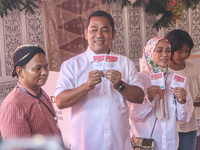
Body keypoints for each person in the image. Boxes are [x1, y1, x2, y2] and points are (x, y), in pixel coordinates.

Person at [55, 10, 144, 150]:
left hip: (119, 143)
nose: (99, 35)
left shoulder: (125, 63)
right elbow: (60, 102)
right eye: (94, 30)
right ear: (86, 33)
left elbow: (139, 97)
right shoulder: (71, 65)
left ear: (113, 34)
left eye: (104, 30)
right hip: (86, 143)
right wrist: (86, 86)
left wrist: (121, 85)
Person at [129, 37, 194, 150]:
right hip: (145, 143)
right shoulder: (138, 79)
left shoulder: (176, 79)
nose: (165, 54)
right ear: (149, 52)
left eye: (168, 51)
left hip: (169, 143)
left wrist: (181, 101)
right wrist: (148, 98)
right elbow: (134, 115)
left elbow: (185, 118)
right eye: (159, 50)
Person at [0, 44, 63, 142]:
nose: (45, 72)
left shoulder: (42, 93)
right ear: (20, 71)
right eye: (37, 68)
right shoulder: (13, 106)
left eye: (46, 67)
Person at [165, 29, 200, 150]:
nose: (184, 55)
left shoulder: (192, 68)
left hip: (189, 125)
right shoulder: (164, 71)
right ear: (170, 50)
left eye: (187, 51)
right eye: (180, 52)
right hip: (169, 125)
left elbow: (197, 90)